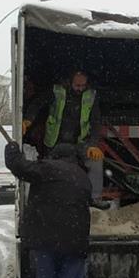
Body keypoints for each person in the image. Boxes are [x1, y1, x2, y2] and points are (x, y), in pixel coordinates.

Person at [4, 140, 93, 278]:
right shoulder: (82, 177)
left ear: (55, 155)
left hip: (46, 242)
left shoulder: (46, 169)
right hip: (75, 243)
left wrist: (12, 152)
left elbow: (20, 168)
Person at [34, 70, 103, 200]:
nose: (80, 89)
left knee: (96, 162)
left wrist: (93, 145)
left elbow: (96, 122)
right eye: (77, 86)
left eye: (83, 86)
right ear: (70, 82)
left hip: (80, 143)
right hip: (55, 142)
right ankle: (49, 198)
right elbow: (37, 104)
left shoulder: (91, 96)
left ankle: (94, 198)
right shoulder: (56, 92)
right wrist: (28, 119)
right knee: (50, 169)